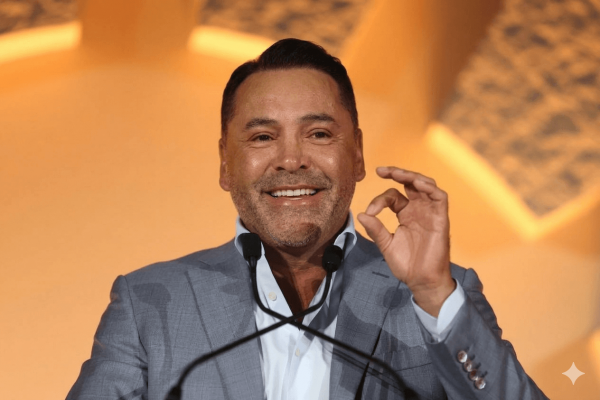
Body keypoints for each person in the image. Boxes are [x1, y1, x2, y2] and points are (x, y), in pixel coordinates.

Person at [67, 38, 548, 400]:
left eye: (318, 133)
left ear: (356, 154)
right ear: (225, 164)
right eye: (262, 137)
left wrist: (434, 295)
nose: (291, 160)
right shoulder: (148, 303)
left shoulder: (440, 295)